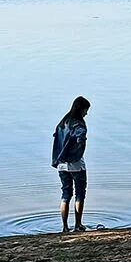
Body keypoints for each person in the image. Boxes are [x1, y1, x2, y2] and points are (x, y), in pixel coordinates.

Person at [51, 97, 90, 233]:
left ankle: (65, 227)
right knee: (80, 194)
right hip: (76, 163)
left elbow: (57, 140)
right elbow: (80, 136)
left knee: (66, 194)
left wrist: (58, 159)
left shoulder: (63, 123)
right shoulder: (78, 124)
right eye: (86, 110)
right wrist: (79, 145)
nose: (86, 113)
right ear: (81, 109)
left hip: (62, 163)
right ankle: (78, 225)